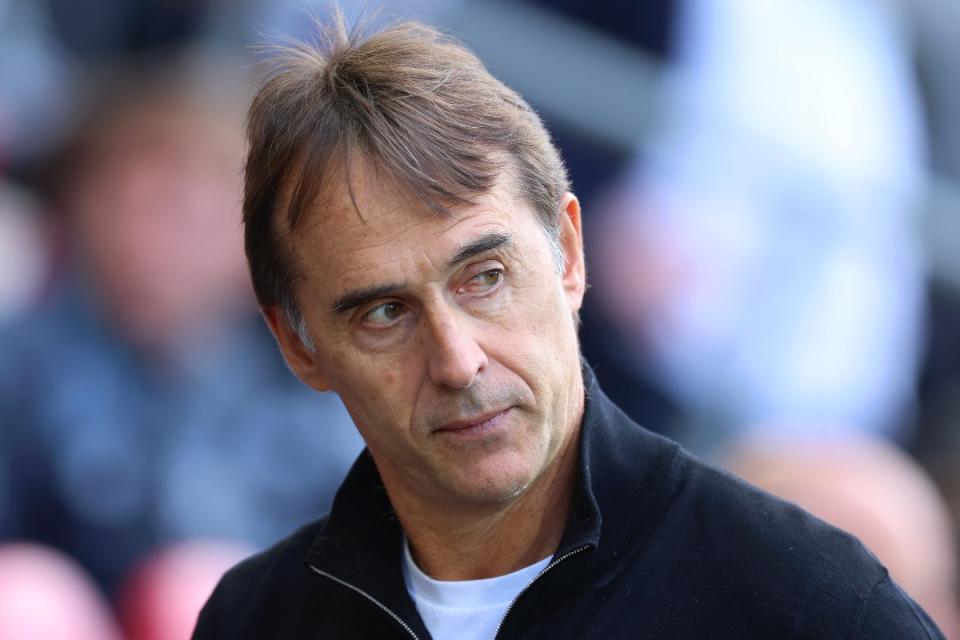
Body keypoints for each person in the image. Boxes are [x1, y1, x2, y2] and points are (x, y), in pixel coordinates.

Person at [194, 14, 944, 640]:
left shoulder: (810, 606)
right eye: (385, 313)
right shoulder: (256, 619)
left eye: (485, 279)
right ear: (297, 344)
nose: (457, 361)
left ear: (569, 257)